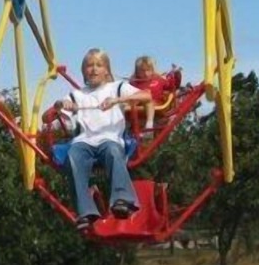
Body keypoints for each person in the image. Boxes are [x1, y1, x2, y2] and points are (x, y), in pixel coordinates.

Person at [49, 48, 152, 231]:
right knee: (73, 156)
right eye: (89, 65)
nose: (94, 69)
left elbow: (146, 96)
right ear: (83, 71)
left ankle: (123, 200)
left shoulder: (117, 87)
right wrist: (60, 105)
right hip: (84, 141)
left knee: (112, 151)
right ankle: (85, 212)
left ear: (107, 70)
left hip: (110, 138)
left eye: (99, 65)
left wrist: (118, 100)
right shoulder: (77, 95)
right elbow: (47, 117)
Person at [128, 55, 182, 130]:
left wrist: (176, 75)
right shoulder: (133, 82)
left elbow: (172, 87)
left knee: (147, 96)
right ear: (137, 71)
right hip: (136, 107)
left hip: (155, 105)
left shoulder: (158, 80)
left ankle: (149, 124)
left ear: (152, 70)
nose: (146, 73)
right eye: (142, 70)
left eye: (148, 70)